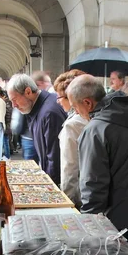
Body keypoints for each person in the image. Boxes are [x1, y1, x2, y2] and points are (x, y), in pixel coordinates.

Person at [67, 74, 128, 255]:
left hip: (111, 224)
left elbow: (93, 185)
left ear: (88, 103)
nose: (75, 112)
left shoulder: (96, 129)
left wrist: (87, 229)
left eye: (75, 107)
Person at [7, 74, 66, 184]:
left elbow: (54, 156)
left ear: (28, 91)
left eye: (14, 100)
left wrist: (50, 184)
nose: (14, 105)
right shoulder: (37, 108)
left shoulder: (49, 113)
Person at [54, 69, 87, 206]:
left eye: (59, 98)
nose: (58, 102)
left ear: (70, 96)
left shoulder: (72, 125)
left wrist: (67, 200)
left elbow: (69, 167)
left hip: (80, 195)